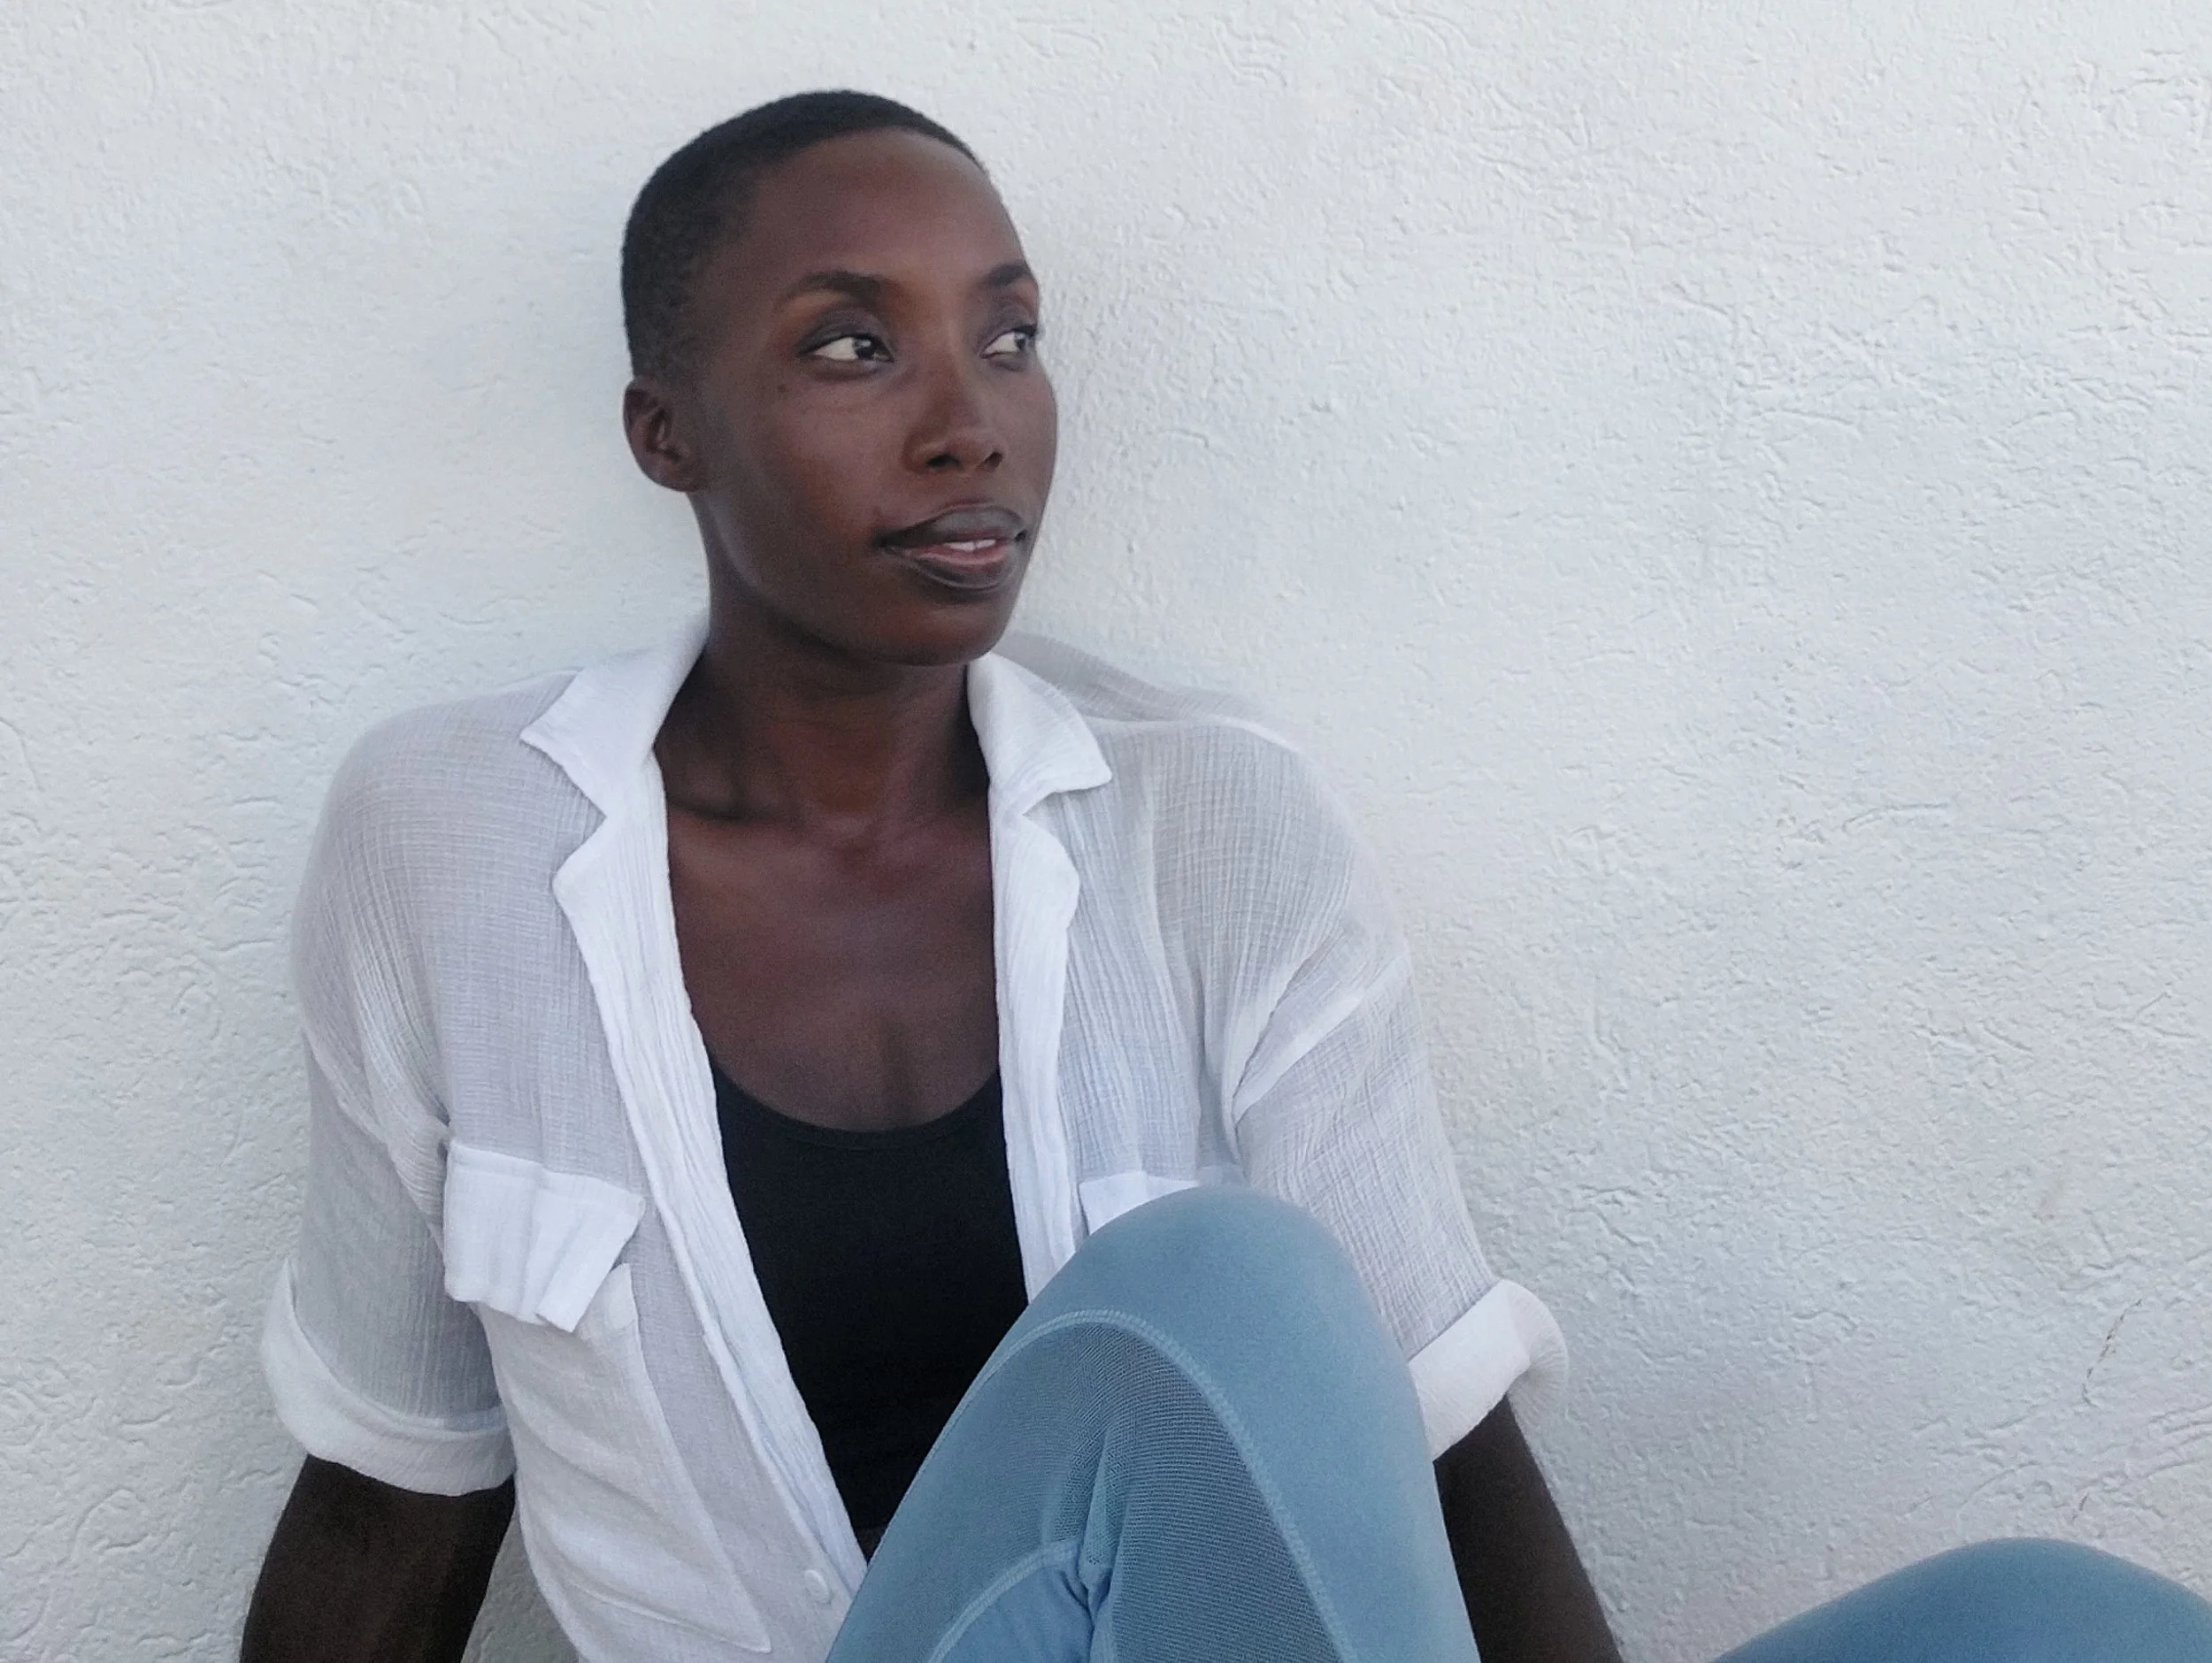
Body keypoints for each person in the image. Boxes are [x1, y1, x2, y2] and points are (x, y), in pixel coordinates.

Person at [243, 93, 2212, 1663]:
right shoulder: (453, 843)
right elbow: (399, 1486)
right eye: (854, 346)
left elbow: (1437, 1436)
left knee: (2070, 1627)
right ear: (665, 434)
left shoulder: (1216, 822)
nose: (967, 424)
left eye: (1007, 337)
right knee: (1218, 1288)